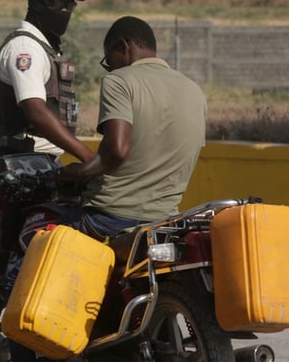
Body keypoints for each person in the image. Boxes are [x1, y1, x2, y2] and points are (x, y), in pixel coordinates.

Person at [58, 15, 207, 238]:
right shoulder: (194, 90)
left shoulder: (119, 81)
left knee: (37, 231)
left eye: (109, 62)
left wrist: (75, 173)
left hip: (109, 218)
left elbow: (116, 151)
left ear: (123, 46)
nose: (111, 69)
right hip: (164, 222)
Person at [0, 0, 94, 163]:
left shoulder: (44, 48)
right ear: (38, 3)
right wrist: (89, 157)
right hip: (24, 163)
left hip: (42, 162)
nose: (66, 11)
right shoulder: (26, 48)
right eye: (58, 3)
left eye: (70, 5)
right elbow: (36, 111)